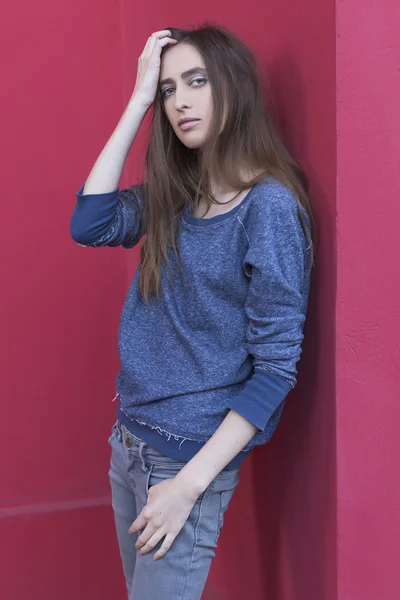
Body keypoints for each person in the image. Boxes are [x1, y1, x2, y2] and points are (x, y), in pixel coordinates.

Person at [69, 22, 315, 600]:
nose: (179, 101)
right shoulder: (176, 193)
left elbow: (276, 369)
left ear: (233, 86)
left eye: (196, 81)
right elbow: (89, 224)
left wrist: (188, 486)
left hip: (184, 463)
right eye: (168, 88)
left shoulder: (270, 208)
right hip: (127, 441)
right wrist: (136, 101)